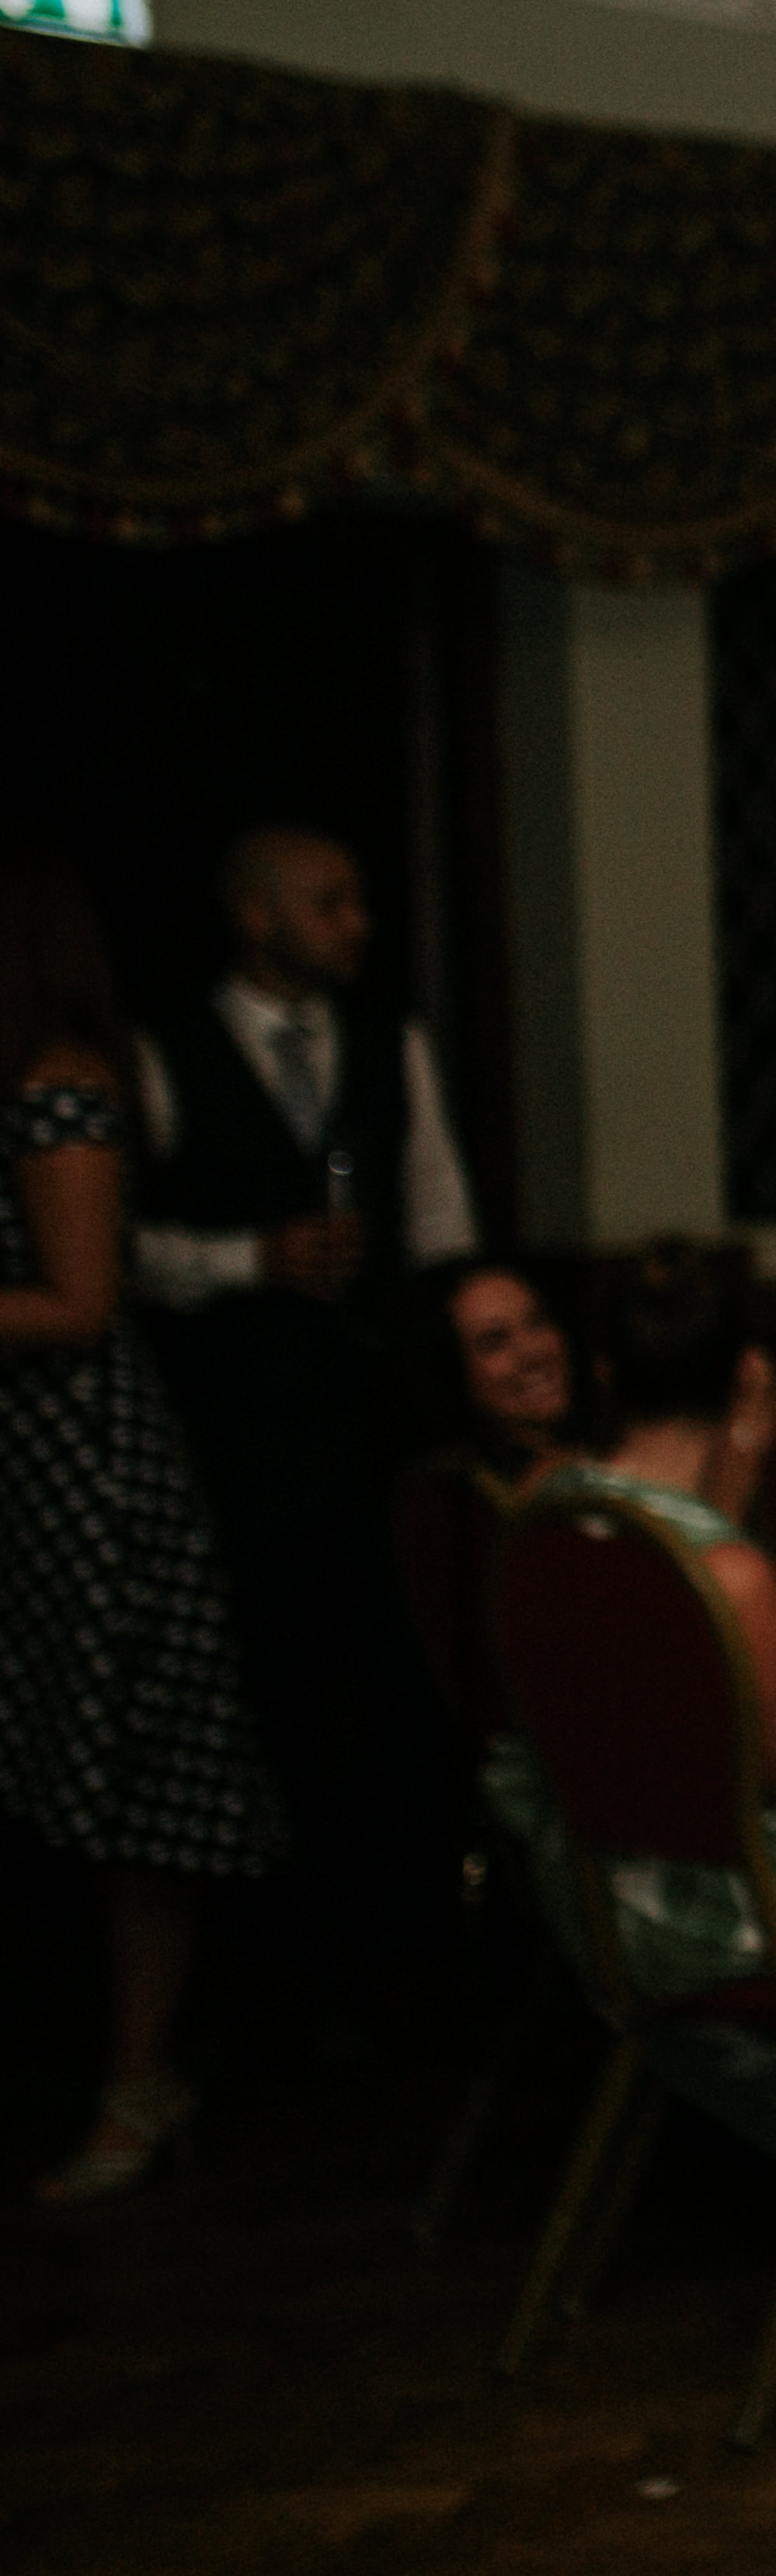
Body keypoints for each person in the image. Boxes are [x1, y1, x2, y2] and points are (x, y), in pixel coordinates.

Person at [130, 822, 478, 1957]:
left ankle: (406, 1950)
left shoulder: (390, 1043)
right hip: (238, 1431)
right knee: (267, 1693)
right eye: (331, 903)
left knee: (404, 1686)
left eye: (358, 901)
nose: (358, 925)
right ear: (256, 915)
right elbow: (118, 1250)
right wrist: (249, 1261)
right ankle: (283, 1961)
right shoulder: (165, 1052)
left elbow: (437, 1219)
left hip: (372, 1422)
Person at [0, 835, 285, 2204]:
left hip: (94, 1460)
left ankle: (144, 2072)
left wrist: (323, 1272)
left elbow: (84, 1295)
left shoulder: (69, 1081)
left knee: (135, 1772)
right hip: (31, 1461)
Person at [477, 1245, 776, 2003]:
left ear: (602, 1372)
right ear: (744, 1378)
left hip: (589, 1908)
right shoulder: (730, 1575)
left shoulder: (543, 1511)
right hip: (738, 1941)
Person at [423, 1260, 582, 1488]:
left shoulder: (607, 1448)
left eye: (536, 1322)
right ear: (454, 1371)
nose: (533, 1353)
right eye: (494, 1343)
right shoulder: (465, 1498)